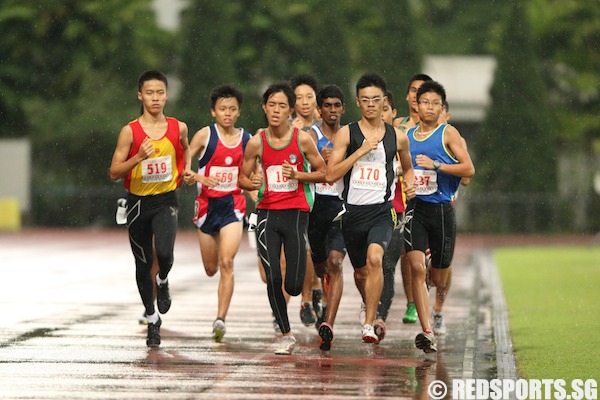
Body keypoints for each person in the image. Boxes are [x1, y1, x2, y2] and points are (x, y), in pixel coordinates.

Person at [326, 73, 415, 344]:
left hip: (382, 211)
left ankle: (369, 324)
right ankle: (369, 307)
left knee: (376, 259)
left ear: (384, 101)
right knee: (361, 272)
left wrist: (409, 185)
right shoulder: (347, 133)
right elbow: (331, 175)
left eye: (376, 100)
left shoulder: (397, 137)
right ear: (358, 103)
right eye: (365, 100)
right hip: (353, 213)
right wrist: (360, 151)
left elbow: (408, 168)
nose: (371, 105)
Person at [239, 81, 327, 355]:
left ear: (290, 111)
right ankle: (286, 333)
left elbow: (323, 172)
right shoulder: (257, 142)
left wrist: (298, 175)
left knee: (293, 281)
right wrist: (252, 181)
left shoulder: (302, 139)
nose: (276, 111)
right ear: (264, 108)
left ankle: (305, 297)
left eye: (282, 106)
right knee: (273, 275)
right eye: (271, 105)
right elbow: (242, 178)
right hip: (267, 215)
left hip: (296, 215)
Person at [109, 69, 191, 347]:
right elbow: (113, 172)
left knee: (165, 254)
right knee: (142, 264)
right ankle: (152, 317)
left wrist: (187, 170)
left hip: (166, 199)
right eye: (149, 93)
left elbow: (186, 148)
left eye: (160, 93)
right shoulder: (129, 132)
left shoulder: (178, 127)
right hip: (138, 204)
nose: (155, 98)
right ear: (140, 95)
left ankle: (164, 279)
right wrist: (138, 158)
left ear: (166, 95)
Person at [403, 80, 475, 353]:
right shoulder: (406, 137)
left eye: (435, 103)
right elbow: (398, 166)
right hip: (415, 209)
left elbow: (469, 169)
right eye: (425, 102)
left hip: (442, 211)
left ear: (442, 107)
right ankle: (426, 331)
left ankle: (437, 309)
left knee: (440, 274)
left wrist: (435, 165)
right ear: (417, 106)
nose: (430, 107)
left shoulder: (449, 133)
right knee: (417, 268)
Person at [183, 84, 251, 342]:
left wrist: (256, 191)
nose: (228, 114)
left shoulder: (247, 140)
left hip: (233, 206)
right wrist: (198, 177)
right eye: (223, 109)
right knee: (211, 268)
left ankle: (220, 318)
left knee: (227, 263)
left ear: (239, 112)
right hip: (206, 208)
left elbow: (253, 172)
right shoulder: (204, 136)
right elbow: (184, 169)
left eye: (233, 109)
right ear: (214, 112)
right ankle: (220, 313)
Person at [306, 84, 347, 350]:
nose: (332, 110)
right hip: (316, 208)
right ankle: (320, 293)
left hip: (342, 207)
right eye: (327, 106)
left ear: (343, 108)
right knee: (321, 267)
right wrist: (318, 160)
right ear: (319, 110)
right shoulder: (310, 135)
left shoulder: (349, 135)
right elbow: (299, 167)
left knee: (335, 262)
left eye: (336, 105)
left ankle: (328, 322)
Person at [370, 90, 413, 338]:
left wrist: (401, 174)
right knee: (365, 268)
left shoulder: (400, 142)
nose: (380, 113)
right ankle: (370, 304)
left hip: (394, 211)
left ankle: (379, 317)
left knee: (386, 265)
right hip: (362, 212)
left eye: (385, 108)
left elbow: (410, 171)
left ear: (393, 113)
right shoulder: (357, 139)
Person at [427, 99, 471, 336]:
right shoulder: (415, 135)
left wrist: (439, 165)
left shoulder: (455, 139)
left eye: (439, 111)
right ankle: (421, 313)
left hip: (444, 204)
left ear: (447, 115)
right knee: (415, 259)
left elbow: (466, 178)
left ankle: (438, 310)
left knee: (443, 263)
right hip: (419, 204)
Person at [392, 74, 433, 324]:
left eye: (422, 92)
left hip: (431, 197)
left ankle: (432, 294)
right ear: (408, 96)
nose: (417, 97)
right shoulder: (398, 126)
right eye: (414, 91)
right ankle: (411, 302)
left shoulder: (437, 127)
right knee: (406, 253)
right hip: (401, 195)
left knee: (433, 260)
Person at [290, 73, 324, 326]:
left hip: (321, 198)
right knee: (292, 256)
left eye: (309, 97)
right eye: (299, 97)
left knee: (314, 252)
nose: (304, 102)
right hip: (289, 197)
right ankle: (299, 297)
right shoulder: (282, 127)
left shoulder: (326, 127)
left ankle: (309, 297)